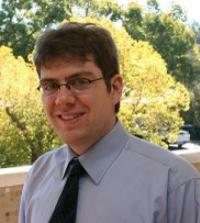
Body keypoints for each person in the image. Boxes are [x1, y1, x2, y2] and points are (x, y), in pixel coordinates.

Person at [19, 21, 200, 223]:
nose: (63, 99)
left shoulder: (175, 185)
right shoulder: (38, 176)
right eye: (50, 85)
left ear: (115, 88)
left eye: (80, 82)